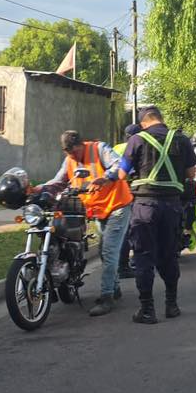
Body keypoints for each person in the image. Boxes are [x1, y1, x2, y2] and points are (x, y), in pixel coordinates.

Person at [97, 107, 196, 324]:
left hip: (144, 207)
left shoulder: (136, 140)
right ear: (160, 119)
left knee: (143, 256)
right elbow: (191, 173)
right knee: (169, 255)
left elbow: (121, 173)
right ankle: (171, 305)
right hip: (172, 206)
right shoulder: (181, 139)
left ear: (143, 123)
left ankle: (147, 309)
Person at [36, 130, 132, 317]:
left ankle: (107, 298)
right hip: (98, 210)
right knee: (106, 250)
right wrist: (39, 188)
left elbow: (120, 164)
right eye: (68, 153)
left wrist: (105, 177)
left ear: (81, 145)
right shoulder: (70, 160)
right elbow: (59, 181)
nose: (73, 157)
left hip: (117, 206)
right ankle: (114, 288)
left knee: (108, 251)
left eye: (74, 152)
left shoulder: (99, 149)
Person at [112, 122, 140, 279]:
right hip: (128, 193)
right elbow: (130, 172)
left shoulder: (116, 147)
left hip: (113, 196)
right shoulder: (134, 147)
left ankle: (120, 265)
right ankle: (124, 266)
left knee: (120, 232)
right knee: (131, 230)